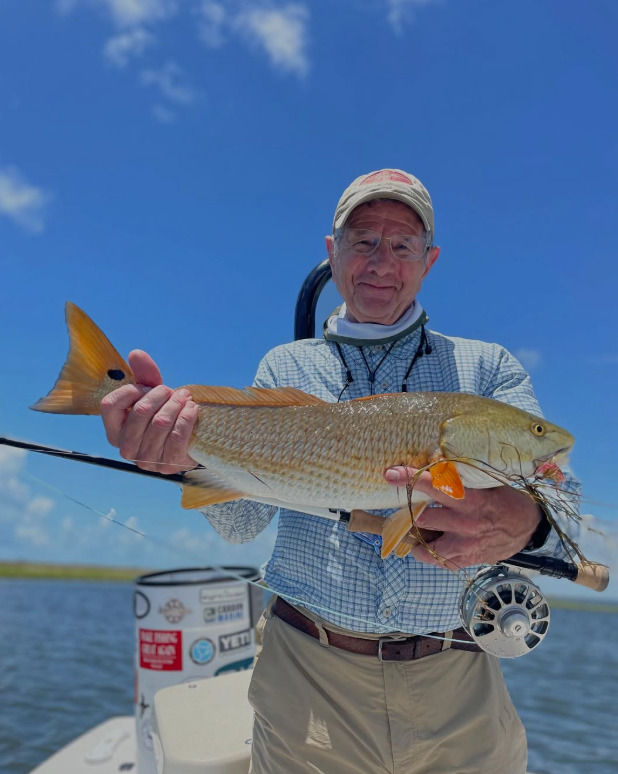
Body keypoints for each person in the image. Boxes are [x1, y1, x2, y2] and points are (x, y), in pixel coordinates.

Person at [100, 169, 579, 773]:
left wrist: (528, 518)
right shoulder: (286, 365)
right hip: (307, 678)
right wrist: (185, 461)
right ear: (333, 253)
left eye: (402, 244)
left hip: (457, 680)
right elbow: (243, 521)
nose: (382, 261)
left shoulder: (488, 370)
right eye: (363, 241)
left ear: (429, 260)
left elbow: (565, 506)